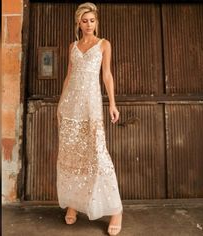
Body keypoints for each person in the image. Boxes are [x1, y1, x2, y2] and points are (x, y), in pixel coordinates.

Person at [56, 2, 123, 235]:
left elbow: (107, 75)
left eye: (92, 20)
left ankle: (116, 209)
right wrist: (60, 104)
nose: (88, 24)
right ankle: (73, 203)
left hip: (91, 106)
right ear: (78, 22)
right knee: (71, 154)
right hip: (70, 106)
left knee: (98, 152)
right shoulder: (72, 46)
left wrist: (112, 104)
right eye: (84, 21)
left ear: (97, 22)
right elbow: (68, 76)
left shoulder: (103, 44)